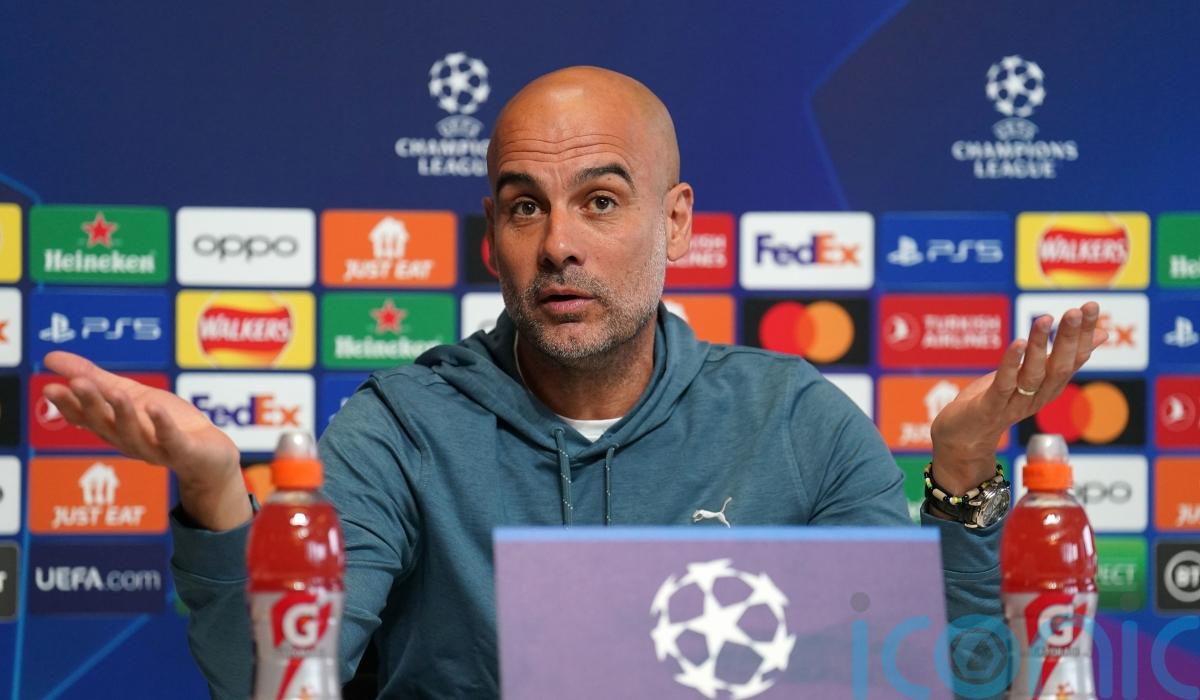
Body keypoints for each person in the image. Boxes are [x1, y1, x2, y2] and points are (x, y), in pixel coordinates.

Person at [42, 66, 1106, 699]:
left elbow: (942, 676)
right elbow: (273, 681)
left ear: (675, 223)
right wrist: (217, 496)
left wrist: (963, 471)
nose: (558, 245)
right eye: (524, 207)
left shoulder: (797, 422)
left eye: (600, 201)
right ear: (491, 239)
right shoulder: (398, 431)